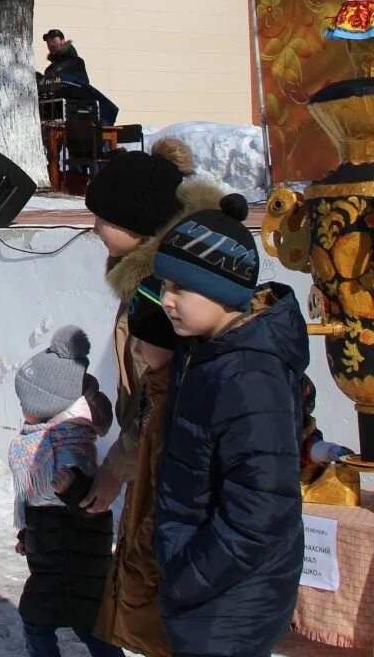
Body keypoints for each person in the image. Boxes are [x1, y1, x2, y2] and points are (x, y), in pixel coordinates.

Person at [83, 140, 244, 657]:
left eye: (101, 218)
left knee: (161, 592)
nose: (93, 228)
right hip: (166, 466)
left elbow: (158, 403)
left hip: (172, 471)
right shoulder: (165, 282)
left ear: (135, 223)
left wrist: (115, 470)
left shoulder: (159, 299)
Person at [151, 207, 309, 657]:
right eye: (164, 285)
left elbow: (262, 508)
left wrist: (189, 573)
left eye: (181, 287)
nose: (167, 299)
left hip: (234, 590)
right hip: (211, 584)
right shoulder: (207, 351)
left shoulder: (248, 376)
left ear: (221, 290)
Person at [9, 326, 123, 657]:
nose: (22, 410)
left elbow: (94, 503)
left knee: (77, 624)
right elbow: (38, 501)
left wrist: (74, 489)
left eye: (25, 402)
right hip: (54, 556)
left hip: (78, 560)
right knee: (52, 621)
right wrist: (28, 535)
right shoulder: (51, 440)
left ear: (49, 405)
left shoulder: (68, 445)